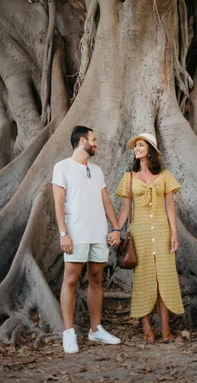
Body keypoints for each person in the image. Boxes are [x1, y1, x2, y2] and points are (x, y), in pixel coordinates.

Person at [52, 126, 122, 354]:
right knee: (71, 279)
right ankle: (69, 332)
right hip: (76, 233)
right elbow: (58, 204)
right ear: (83, 141)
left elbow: (105, 201)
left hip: (98, 233)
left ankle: (95, 329)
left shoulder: (97, 170)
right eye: (94, 139)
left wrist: (116, 228)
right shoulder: (62, 167)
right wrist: (64, 233)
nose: (96, 144)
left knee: (96, 278)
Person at [116, 132, 184, 343]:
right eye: (135, 146)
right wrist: (116, 230)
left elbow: (170, 208)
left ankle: (165, 329)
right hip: (141, 233)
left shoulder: (164, 175)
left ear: (150, 150)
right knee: (143, 279)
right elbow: (125, 209)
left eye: (141, 145)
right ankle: (147, 328)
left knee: (164, 278)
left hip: (162, 231)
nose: (137, 148)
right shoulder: (128, 177)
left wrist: (174, 234)